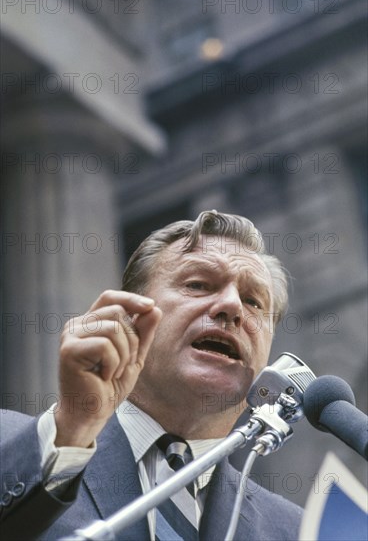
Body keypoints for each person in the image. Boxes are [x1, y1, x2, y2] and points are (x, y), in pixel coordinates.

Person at [0, 210, 302, 540]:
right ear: (131, 316)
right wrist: (73, 427)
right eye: (198, 285)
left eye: (253, 302)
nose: (232, 307)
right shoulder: (11, 443)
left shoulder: (296, 530)